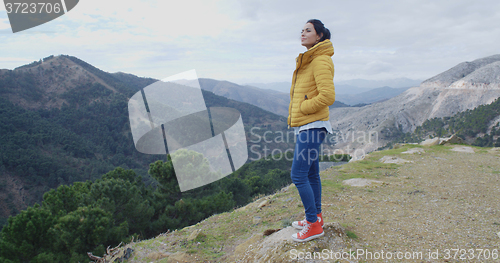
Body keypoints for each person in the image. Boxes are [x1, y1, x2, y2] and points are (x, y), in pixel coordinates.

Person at [288, 19, 335, 242]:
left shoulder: (320, 60)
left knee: (298, 174)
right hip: (309, 125)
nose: (303, 33)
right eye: (302, 30)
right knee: (311, 174)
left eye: (308, 30)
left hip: (313, 125)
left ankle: (313, 225)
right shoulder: (312, 60)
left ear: (319, 36)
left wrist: (304, 107)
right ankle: (316, 217)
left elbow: (327, 96)